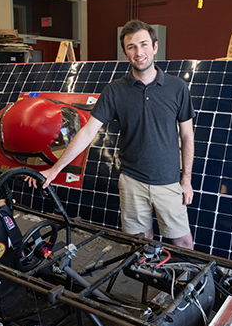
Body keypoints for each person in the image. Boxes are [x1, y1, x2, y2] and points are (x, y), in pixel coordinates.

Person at [26, 20, 195, 250]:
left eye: (143, 44)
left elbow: (187, 136)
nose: (139, 52)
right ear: (126, 53)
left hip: (168, 181)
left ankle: (187, 284)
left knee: (183, 242)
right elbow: (87, 132)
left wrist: (186, 180)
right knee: (140, 245)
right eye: (131, 47)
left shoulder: (177, 88)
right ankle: (149, 283)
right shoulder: (115, 90)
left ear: (155, 47)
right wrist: (55, 170)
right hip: (132, 181)